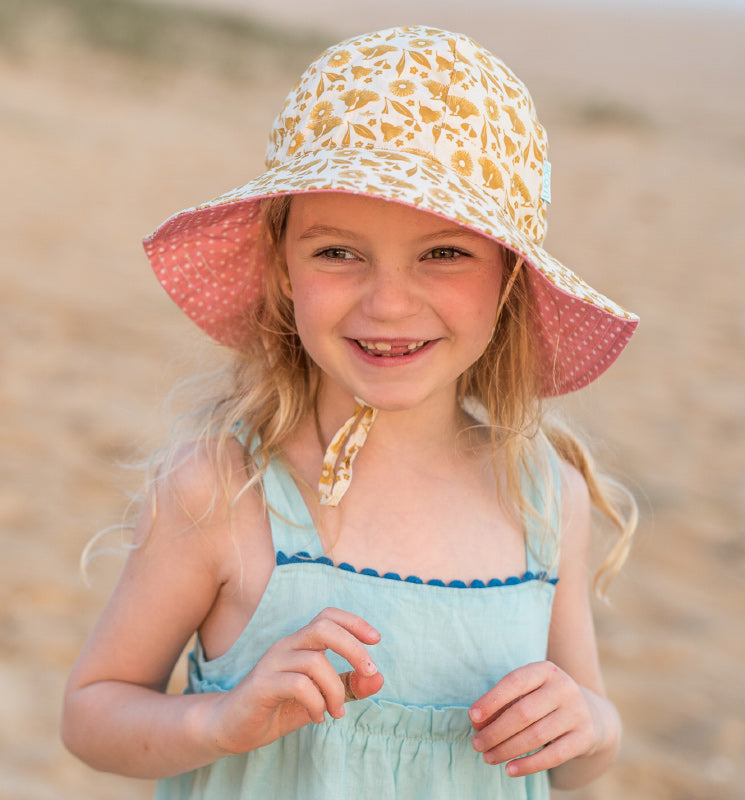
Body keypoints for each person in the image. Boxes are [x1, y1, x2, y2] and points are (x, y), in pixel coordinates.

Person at [61, 25, 639, 799]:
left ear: (509, 282)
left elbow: (577, 762)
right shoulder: (221, 488)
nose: (389, 301)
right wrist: (221, 722)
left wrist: (591, 726)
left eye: (445, 252)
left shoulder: (543, 497)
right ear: (283, 269)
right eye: (338, 252)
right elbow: (93, 713)